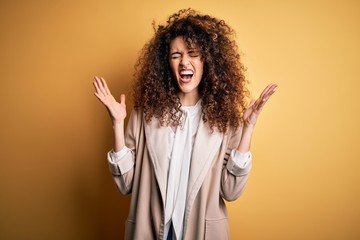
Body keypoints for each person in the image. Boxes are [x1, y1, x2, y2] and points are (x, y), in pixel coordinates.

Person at [93, 8, 277, 240]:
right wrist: (117, 124)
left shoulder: (224, 120)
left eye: (192, 53)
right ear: (166, 64)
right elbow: (125, 184)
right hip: (152, 232)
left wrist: (248, 128)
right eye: (176, 55)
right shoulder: (144, 115)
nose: (184, 62)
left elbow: (230, 191)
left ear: (207, 61)